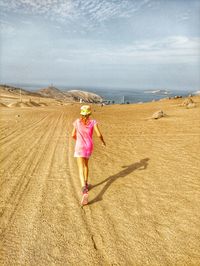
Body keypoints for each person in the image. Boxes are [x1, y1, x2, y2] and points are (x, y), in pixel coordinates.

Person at [72, 105, 106, 206]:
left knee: (80, 168)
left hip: (79, 146)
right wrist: (103, 142)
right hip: (89, 146)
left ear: (81, 113)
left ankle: (84, 190)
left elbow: (72, 135)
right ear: (89, 113)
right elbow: (99, 134)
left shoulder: (77, 122)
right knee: (86, 165)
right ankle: (86, 183)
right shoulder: (93, 122)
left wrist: (78, 141)